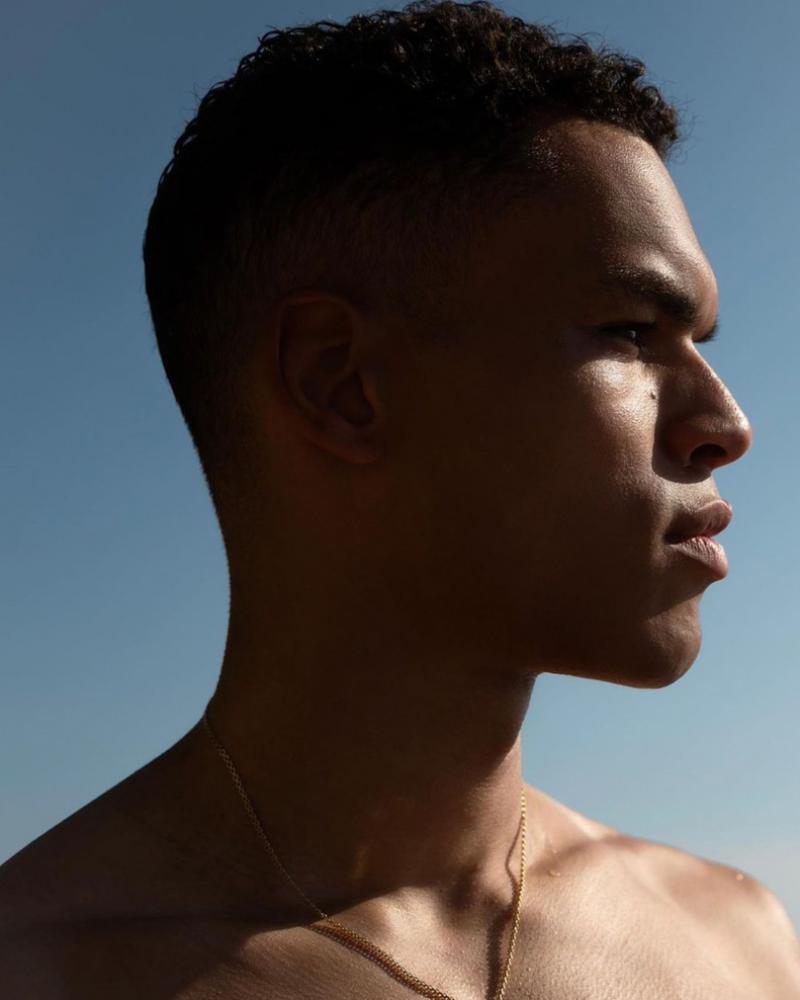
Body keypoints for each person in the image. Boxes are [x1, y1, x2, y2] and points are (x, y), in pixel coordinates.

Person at [2, 1, 798, 996]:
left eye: (698, 344)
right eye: (629, 331)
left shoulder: (741, 943)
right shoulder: (44, 968)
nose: (725, 424)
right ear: (340, 381)